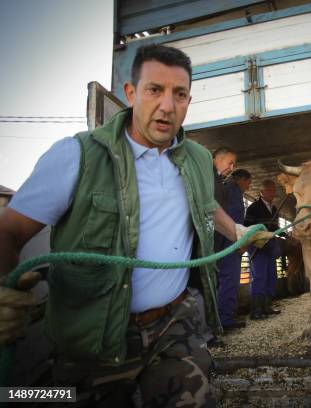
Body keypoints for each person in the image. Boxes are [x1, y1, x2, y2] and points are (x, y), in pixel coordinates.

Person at [0, 44, 272, 407]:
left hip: (176, 323)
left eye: (179, 94)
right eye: (154, 90)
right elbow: (9, 232)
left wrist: (240, 233)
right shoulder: (76, 155)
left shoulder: (196, 158)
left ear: (188, 100)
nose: (167, 105)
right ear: (131, 94)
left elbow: (205, 207)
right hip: (94, 338)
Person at [216, 169, 252, 331]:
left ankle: (220, 319)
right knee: (230, 280)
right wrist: (240, 242)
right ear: (242, 180)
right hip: (229, 243)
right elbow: (233, 220)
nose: (249, 186)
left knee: (222, 281)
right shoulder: (234, 191)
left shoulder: (224, 188)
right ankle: (226, 320)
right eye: (248, 182)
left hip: (221, 242)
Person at [244, 180, 282, 320]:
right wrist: (259, 236)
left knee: (271, 276)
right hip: (258, 246)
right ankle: (255, 310)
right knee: (259, 276)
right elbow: (247, 226)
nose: (273, 192)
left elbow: (276, 228)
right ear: (261, 192)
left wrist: (286, 235)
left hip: (271, 246)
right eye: (269, 190)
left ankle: (267, 306)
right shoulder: (253, 208)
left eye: (273, 190)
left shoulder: (274, 209)